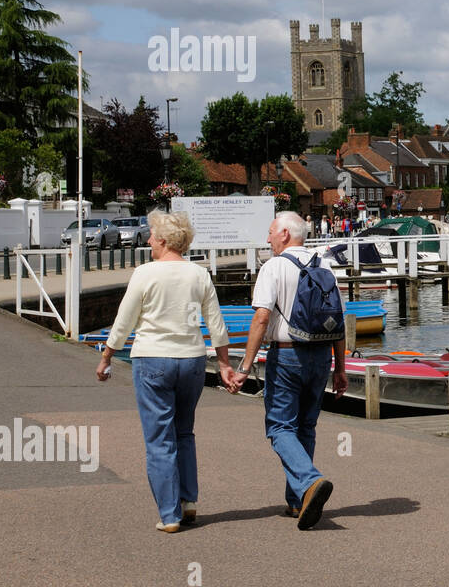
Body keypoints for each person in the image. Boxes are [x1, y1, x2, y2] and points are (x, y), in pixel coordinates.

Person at [97, 211, 235, 533]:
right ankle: (189, 501)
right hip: (192, 361)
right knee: (184, 431)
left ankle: (170, 515)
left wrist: (106, 357)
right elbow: (217, 325)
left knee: (160, 439)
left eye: (151, 235)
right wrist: (225, 364)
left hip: (153, 360)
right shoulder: (198, 275)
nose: (147, 240)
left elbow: (124, 322)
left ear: (162, 240)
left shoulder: (145, 274)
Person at [232, 211, 348, 529]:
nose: (268, 238)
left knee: (280, 428)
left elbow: (260, 319)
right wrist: (340, 368)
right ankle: (298, 501)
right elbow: (337, 320)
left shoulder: (274, 267)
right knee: (306, 428)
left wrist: (244, 366)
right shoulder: (324, 265)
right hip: (322, 355)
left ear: (285, 234)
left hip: (287, 355)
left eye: (271, 232)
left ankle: (310, 481)